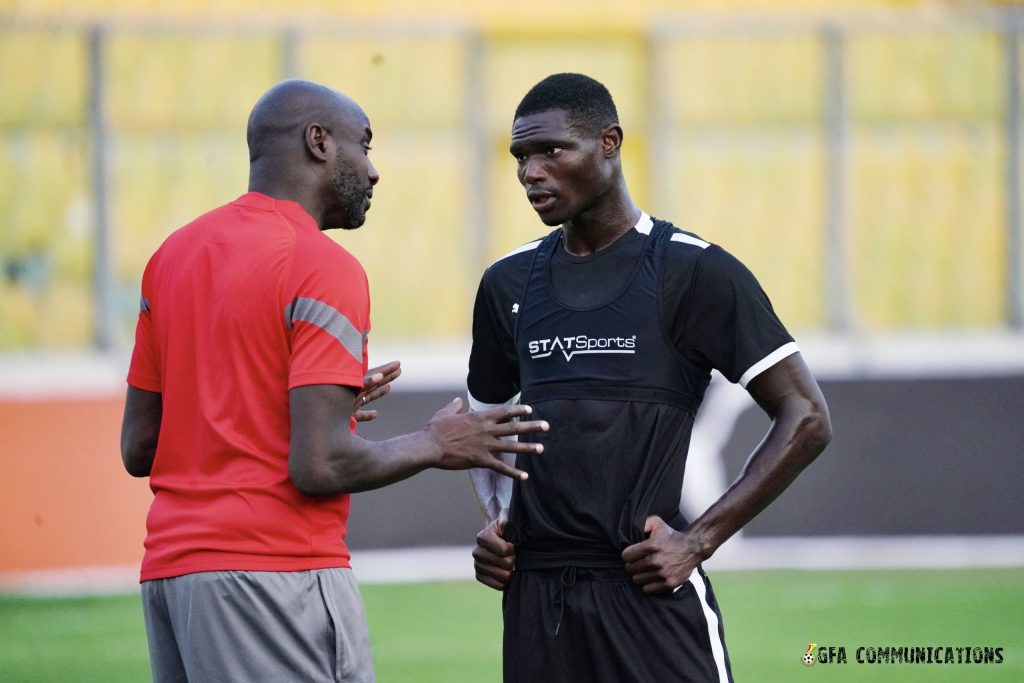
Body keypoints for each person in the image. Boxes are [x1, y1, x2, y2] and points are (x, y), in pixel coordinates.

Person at [120, 78, 547, 683]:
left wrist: (286, 401)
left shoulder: (172, 256)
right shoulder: (321, 265)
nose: (373, 172)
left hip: (171, 580)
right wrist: (438, 442)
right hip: (274, 578)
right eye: (364, 146)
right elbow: (318, 466)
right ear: (319, 142)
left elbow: (140, 448)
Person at [469, 72, 832, 682]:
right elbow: (487, 424)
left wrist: (698, 541)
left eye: (551, 150)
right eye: (520, 157)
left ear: (608, 143)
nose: (531, 172)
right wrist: (501, 525)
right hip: (536, 603)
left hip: (647, 590)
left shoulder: (692, 270)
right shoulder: (508, 282)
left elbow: (807, 416)